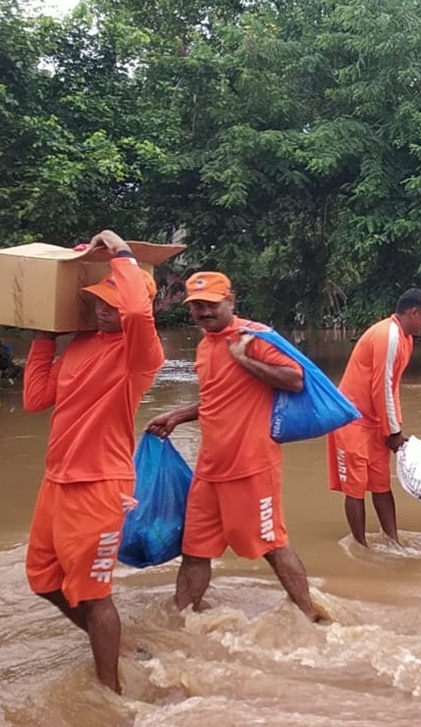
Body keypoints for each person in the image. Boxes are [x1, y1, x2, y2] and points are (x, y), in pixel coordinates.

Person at [22, 230, 164, 693]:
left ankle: (111, 694)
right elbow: (36, 399)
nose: (103, 308)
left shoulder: (139, 355)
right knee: (43, 581)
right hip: (57, 481)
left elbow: (139, 312)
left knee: (94, 593)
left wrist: (122, 252)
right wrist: (45, 332)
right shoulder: (80, 346)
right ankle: (116, 648)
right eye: (98, 301)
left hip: (101, 485)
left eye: (112, 301)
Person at [146, 272, 320, 622]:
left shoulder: (252, 337)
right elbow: (218, 398)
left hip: (252, 466)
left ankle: (311, 617)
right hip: (210, 470)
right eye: (196, 306)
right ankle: (181, 623)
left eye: (211, 304)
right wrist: (179, 415)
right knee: (195, 552)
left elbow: (296, 379)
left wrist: (244, 359)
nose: (203, 312)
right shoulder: (204, 345)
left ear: (231, 301)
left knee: (272, 545)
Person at [327, 289, 421, 547]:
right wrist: (393, 431)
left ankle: (393, 542)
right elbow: (381, 385)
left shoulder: (406, 339)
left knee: (381, 484)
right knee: (355, 489)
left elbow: (392, 386)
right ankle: (360, 545)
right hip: (350, 420)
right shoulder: (390, 335)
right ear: (413, 313)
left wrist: (394, 426)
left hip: (376, 421)